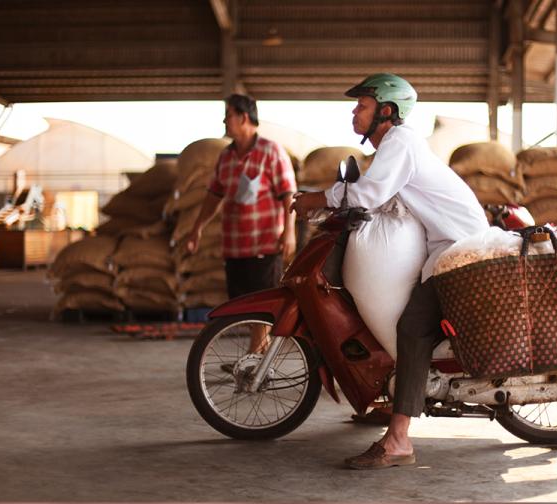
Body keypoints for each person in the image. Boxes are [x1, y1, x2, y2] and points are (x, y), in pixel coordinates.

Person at [290, 74, 489, 469]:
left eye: (361, 105)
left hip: (459, 249)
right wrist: (327, 206)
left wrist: (317, 197)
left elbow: (368, 194)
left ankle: (398, 440)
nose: (353, 111)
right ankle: (388, 399)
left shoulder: (400, 141)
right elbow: (378, 199)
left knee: (412, 327)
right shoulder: (395, 148)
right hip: (447, 247)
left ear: (386, 110)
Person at [187, 94, 297, 355]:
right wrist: (197, 227)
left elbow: (288, 194)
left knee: (262, 303)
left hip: (265, 243)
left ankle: (254, 358)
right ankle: (259, 356)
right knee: (242, 306)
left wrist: (289, 232)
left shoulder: (271, 151)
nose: (225, 121)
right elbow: (214, 195)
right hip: (234, 245)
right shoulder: (226, 156)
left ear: (243, 117)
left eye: (229, 115)